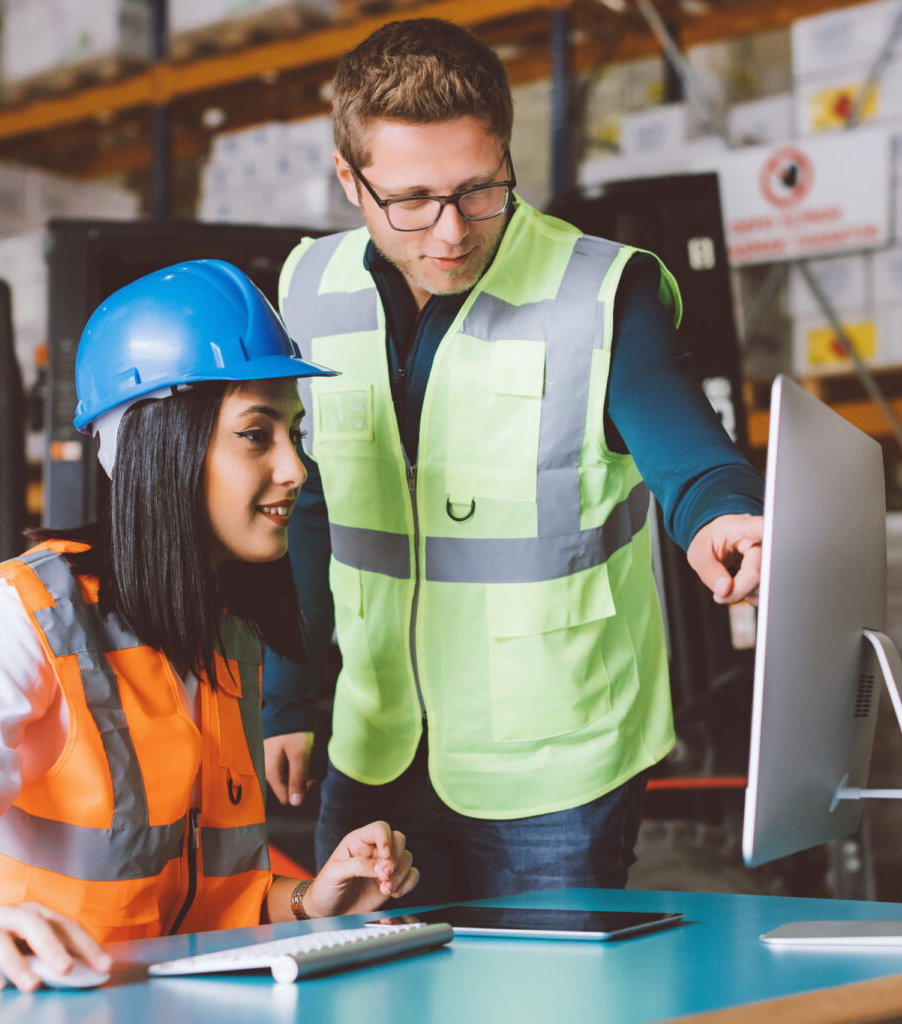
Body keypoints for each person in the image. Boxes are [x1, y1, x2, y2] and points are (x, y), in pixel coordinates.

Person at [261, 19, 766, 907]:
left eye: (479, 189)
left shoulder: (601, 290)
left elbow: (692, 457)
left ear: (507, 157)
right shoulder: (308, 287)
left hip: (558, 767)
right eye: (412, 199)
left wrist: (725, 516)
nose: (451, 231)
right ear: (350, 179)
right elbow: (310, 508)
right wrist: (287, 698)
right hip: (377, 745)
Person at [0, 260, 419, 989]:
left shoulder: (226, 634)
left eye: (293, 433)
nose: (295, 468)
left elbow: (191, 907)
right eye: (256, 435)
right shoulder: (30, 614)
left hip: (105, 999)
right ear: (159, 446)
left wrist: (308, 899)